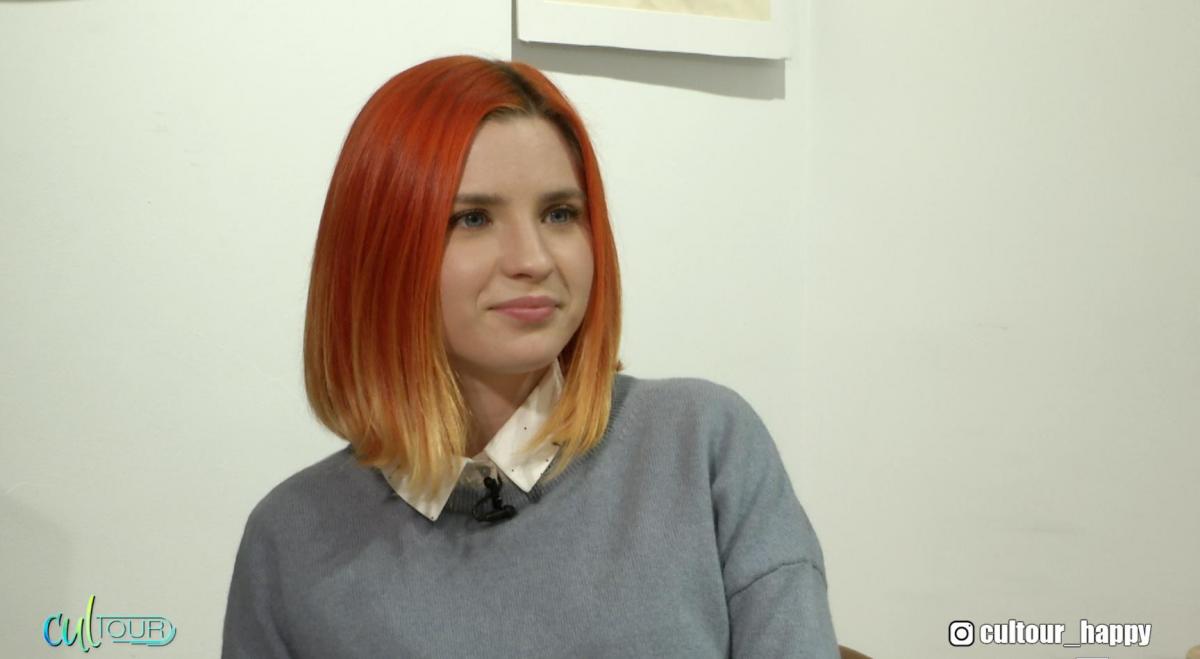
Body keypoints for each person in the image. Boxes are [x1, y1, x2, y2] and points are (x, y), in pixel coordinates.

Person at [221, 55, 839, 658]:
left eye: (560, 214)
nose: (533, 259)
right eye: (472, 218)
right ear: (378, 253)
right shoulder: (290, 538)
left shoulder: (702, 445)